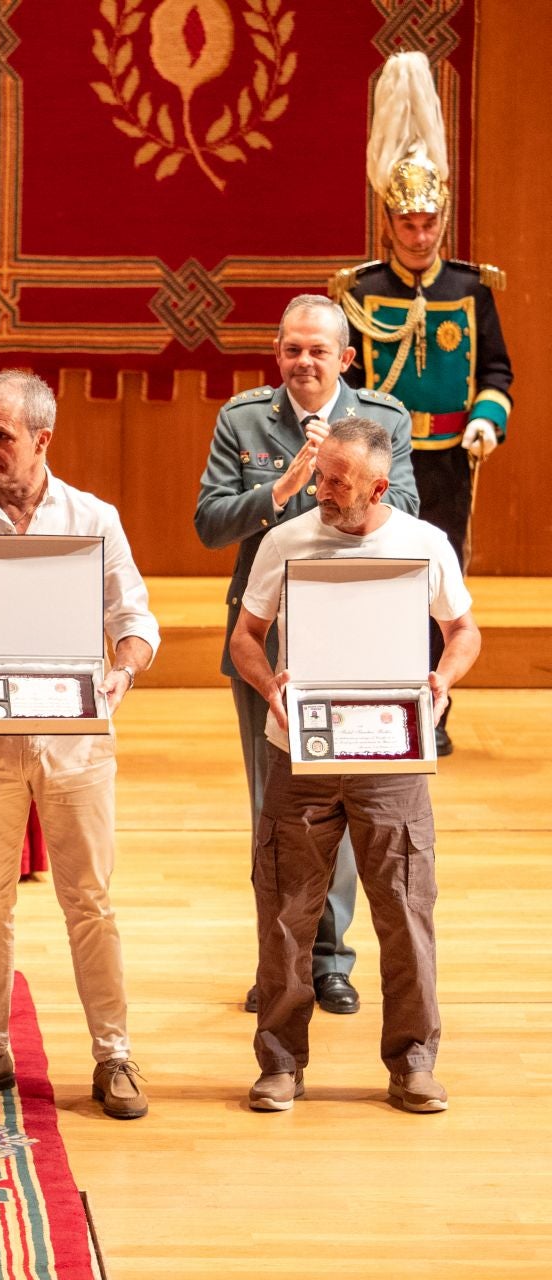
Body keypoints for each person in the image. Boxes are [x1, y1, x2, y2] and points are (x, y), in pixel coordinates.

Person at [0, 371, 156, 1121]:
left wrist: (120, 673)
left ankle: (113, 1055)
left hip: (74, 736)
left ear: (42, 439)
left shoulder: (94, 519)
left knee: (91, 899)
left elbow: (137, 621)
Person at [229, 419, 479, 1113]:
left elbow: (463, 630)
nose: (321, 490)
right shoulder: (284, 541)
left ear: (377, 484)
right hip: (298, 756)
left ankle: (413, 1063)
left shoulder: (424, 544)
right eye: (319, 475)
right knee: (284, 913)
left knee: (403, 911)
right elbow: (246, 637)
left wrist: (443, 677)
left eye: (336, 481)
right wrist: (267, 685)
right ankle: (280, 1064)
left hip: (391, 758)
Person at [196, 295, 419, 1018]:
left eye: (319, 351)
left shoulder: (383, 420)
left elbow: (409, 515)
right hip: (267, 639)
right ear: (278, 351)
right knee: (276, 810)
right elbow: (208, 524)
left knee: (348, 799)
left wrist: (348, 479)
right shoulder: (243, 420)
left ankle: (329, 960)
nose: (304, 362)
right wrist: (285, 487)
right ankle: (279, 958)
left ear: (347, 358)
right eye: (293, 349)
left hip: (358, 634)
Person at [332, 51, 512, 758]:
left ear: (442, 220)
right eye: (408, 223)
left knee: (440, 592)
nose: (420, 234)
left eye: (430, 222)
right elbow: (347, 378)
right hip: (380, 464)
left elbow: (497, 371)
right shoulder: (360, 288)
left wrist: (484, 421)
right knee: (378, 583)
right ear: (389, 220)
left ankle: (432, 709)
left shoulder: (471, 290)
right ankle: (378, 700)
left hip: (448, 463)